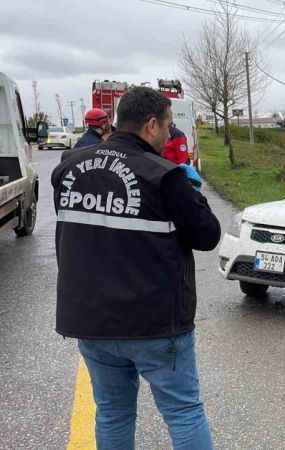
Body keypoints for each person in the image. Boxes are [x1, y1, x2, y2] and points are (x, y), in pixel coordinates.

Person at [52, 86, 221, 450]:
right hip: (155, 323)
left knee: (112, 412)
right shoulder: (164, 175)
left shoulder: (68, 167)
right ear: (151, 125)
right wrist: (193, 192)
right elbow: (208, 235)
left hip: (91, 320)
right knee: (183, 411)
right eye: (168, 126)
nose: (169, 135)